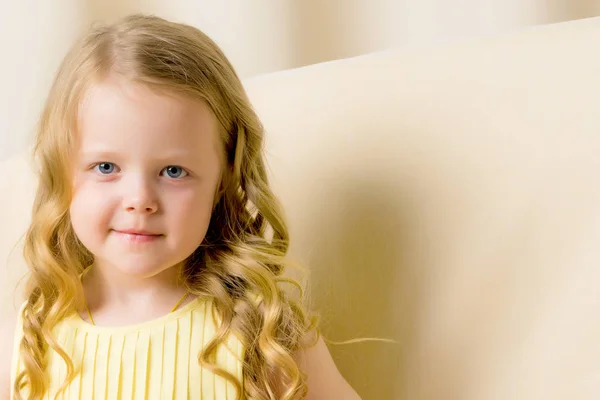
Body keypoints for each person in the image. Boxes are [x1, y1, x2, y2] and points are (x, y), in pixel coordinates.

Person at [0, 14, 362, 400]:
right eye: (106, 167)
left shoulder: (265, 334)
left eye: (173, 171)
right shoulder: (29, 340)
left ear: (223, 180)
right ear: (62, 170)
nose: (139, 199)